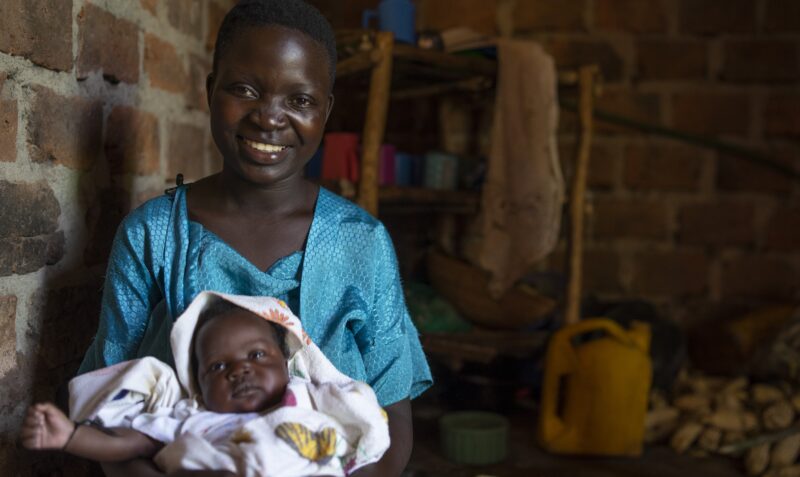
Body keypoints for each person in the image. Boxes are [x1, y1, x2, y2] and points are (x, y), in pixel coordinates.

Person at [77, 0, 432, 475]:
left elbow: (394, 414)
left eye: (299, 100)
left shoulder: (360, 242)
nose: (269, 117)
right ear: (210, 91)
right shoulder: (153, 236)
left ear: (325, 110)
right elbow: (109, 403)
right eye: (244, 90)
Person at [25, 293, 390, 476]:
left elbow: (361, 423)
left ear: (287, 360)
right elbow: (129, 442)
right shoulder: (193, 417)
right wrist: (71, 437)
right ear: (197, 383)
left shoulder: (312, 399)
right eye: (217, 366)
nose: (240, 370)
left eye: (257, 355)